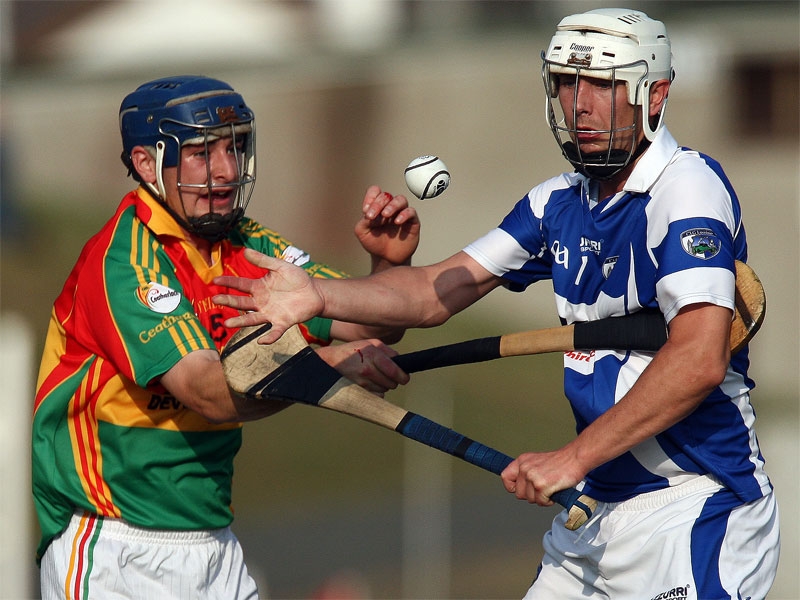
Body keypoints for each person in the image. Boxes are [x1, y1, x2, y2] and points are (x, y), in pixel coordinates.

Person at [212, 8, 780, 599]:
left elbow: (698, 360)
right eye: (567, 82)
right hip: (594, 510)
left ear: (654, 94)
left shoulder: (687, 187)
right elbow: (437, 292)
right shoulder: (554, 202)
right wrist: (320, 293)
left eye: (603, 86)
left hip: (696, 503)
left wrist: (572, 458)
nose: (579, 104)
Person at [32, 75, 419, 599]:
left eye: (233, 147)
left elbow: (369, 323)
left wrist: (387, 265)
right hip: (115, 550)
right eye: (199, 152)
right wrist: (327, 367)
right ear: (147, 166)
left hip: (214, 548)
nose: (226, 170)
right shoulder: (125, 259)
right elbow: (210, 393)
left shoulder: (248, 243)